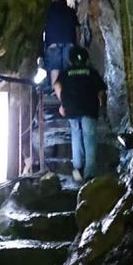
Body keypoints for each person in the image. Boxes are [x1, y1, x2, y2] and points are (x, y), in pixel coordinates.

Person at [54, 46, 106, 183]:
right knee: (89, 138)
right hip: (89, 107)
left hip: (71, 108)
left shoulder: (66, 72)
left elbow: (57, 85)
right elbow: (101, 91)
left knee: (76, 135)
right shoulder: (92, 72)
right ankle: (89, 174)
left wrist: (62, 103)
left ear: (70, 60)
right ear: (86, 59)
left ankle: (78, 167)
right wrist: (100, 103)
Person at [42, 0, 79, 88]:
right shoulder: (70, 10)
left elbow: (43, 28)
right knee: (68, 70)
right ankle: (68, 92)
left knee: (55, 69)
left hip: (53, 43)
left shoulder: (48, 11)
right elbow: (77, 29)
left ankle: (56, 92)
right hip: (69, 42)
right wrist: (77, 45)